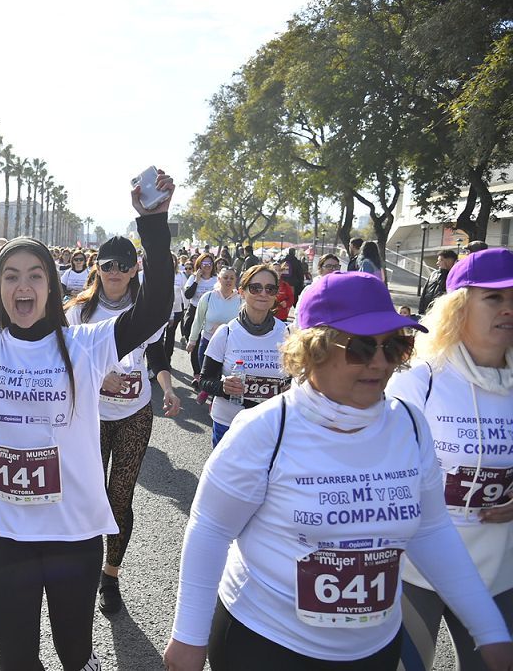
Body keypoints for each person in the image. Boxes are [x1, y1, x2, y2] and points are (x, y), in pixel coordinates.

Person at [163, 271, 513, 671]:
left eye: (395, 345)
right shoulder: (264, 430)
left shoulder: (411, 425)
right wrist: (189, 636)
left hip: (374, 649)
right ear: (314, 350)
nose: (381, 363)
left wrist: (491, 631)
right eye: (362, 347)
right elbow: (210, 529)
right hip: (267, 643)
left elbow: (432, 531)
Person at [0, 170, 175, 671]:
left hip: (74, 533)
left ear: (52, 287)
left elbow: (156, 306)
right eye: (11, 276)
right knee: (15, 660)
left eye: (35, 275)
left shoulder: (86, 344)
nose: (22, 285)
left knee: (73, 655)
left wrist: (153, 225)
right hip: (8, 533)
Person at [387, 247, 513, 671]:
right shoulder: (420, 382)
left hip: (499, 573)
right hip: (415, 569)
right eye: (494, 298)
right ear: (458, 306)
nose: (509, 309)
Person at [66, 234, 181, 614]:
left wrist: (167, 387)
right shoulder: (78, 312)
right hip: (90, 416)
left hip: (134, 413)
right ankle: (81, 569)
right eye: (108, 264)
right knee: (88, 495)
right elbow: (59, 361)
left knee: (119, 500)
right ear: (97, 266)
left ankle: (110, 575)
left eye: (123, 264)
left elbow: (158, 355)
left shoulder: (146, 312)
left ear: (135, 268)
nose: (115, 271)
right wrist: (97, 377)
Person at [198, 265, 289, 446]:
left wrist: (291, 388)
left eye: (270, 289)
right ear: (241, 291)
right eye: (255, 288)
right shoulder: (226, 332)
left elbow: (299, 380)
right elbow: (205, 380)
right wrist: (224, 387)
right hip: (230, 423)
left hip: (272, 423)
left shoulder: (287, 333)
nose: (263, 293)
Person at [187, 266, 241, 390]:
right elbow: (198, 320)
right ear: (219, 279)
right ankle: (206, 391)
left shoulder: (240, 300)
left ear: (235, 280)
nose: (228, 280)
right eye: (225, 277)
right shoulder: (208, 297)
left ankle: (211, 399)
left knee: (221, 377)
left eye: (231, 278)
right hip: (207, 342)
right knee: (206, 375)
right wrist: (192, 340)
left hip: (229, 346)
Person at [182, 253, 218, 380]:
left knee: (209, 345)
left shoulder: (216, 279)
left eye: (209, 263)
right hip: (194, 312)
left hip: (211, 314)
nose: (207, 266)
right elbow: (187, 295)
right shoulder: (193, 278)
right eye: (204, 263)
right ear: (199, 264)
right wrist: (197, 280)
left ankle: (207, 374)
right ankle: (197, 374)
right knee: (195, 344)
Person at [418, 249, 458, 316]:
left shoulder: (455, 276)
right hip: (427, 312)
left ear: (449, 261)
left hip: (442, 314)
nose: (437, 263)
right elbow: (424, 293)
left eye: (440, 260)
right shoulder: (433, 274)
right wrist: (421, 311)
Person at [165, 254, 190, 362]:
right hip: (161, 312)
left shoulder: (180, 276)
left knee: (170, 336)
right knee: (158, 338)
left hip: (176, 311)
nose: (172, 262)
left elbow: (185, 293)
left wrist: (187, 307)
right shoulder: (159, 275)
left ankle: (167, 359)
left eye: (174, 260)